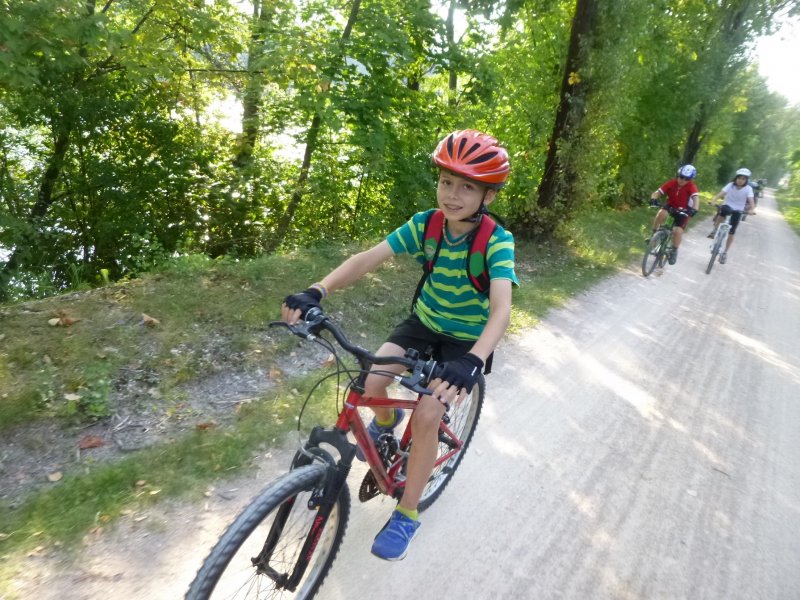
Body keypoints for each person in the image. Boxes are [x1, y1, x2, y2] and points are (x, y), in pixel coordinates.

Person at [280, 129, 518, 561]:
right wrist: (317, 290)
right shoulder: (426, 224)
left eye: (468, 186)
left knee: (428, 415)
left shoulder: (496, 242)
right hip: (424, 323)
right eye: (447, 181)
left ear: (489, 197)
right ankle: (386, 424)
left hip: (466, 341)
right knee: (370, 383)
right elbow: (368, 258)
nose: (453, 194)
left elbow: (501, 310)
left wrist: (471, 362)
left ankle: (407, 513)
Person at [648, 164, 700, 265]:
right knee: (661, 213)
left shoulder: (691, 187)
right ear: (678, 175)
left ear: (690, 180)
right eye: (681, 177)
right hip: (671, 206)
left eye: (686, 179)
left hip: (684, 210)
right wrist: (653, 198)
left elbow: (696, 199)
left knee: (678, 231)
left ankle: (674, 250)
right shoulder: (671, 183)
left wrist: (694, 209)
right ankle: (653, 235)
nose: (682, 180)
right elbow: (658, 192)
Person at [707, 167, 755, 264]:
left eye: (743, 179)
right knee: (722, 212)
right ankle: (715, 230)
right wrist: (714, 200)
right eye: (739, 178)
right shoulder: (730, 185)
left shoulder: (748, 189)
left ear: (746, 180)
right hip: (727, 206)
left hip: (738, 210)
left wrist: (752, 209)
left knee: (732, 232)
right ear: (736, 178)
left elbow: (751, 201)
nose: (740, 180)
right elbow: (721, 193)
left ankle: (725, 252)